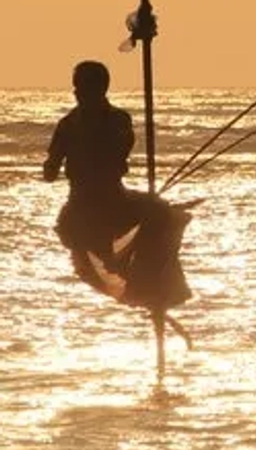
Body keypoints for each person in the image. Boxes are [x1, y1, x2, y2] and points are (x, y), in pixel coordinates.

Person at [43, 60, 191, 311]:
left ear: (99, 89)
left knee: (160, 211)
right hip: (86, 205)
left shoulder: (112, 121)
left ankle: (146, 279)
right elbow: (50, 172)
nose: (76, 92)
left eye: (81, 87)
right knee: (157, 211)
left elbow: (118, 153)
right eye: (76, 87)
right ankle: (138, 278)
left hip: (111, 200)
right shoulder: (74, 124)